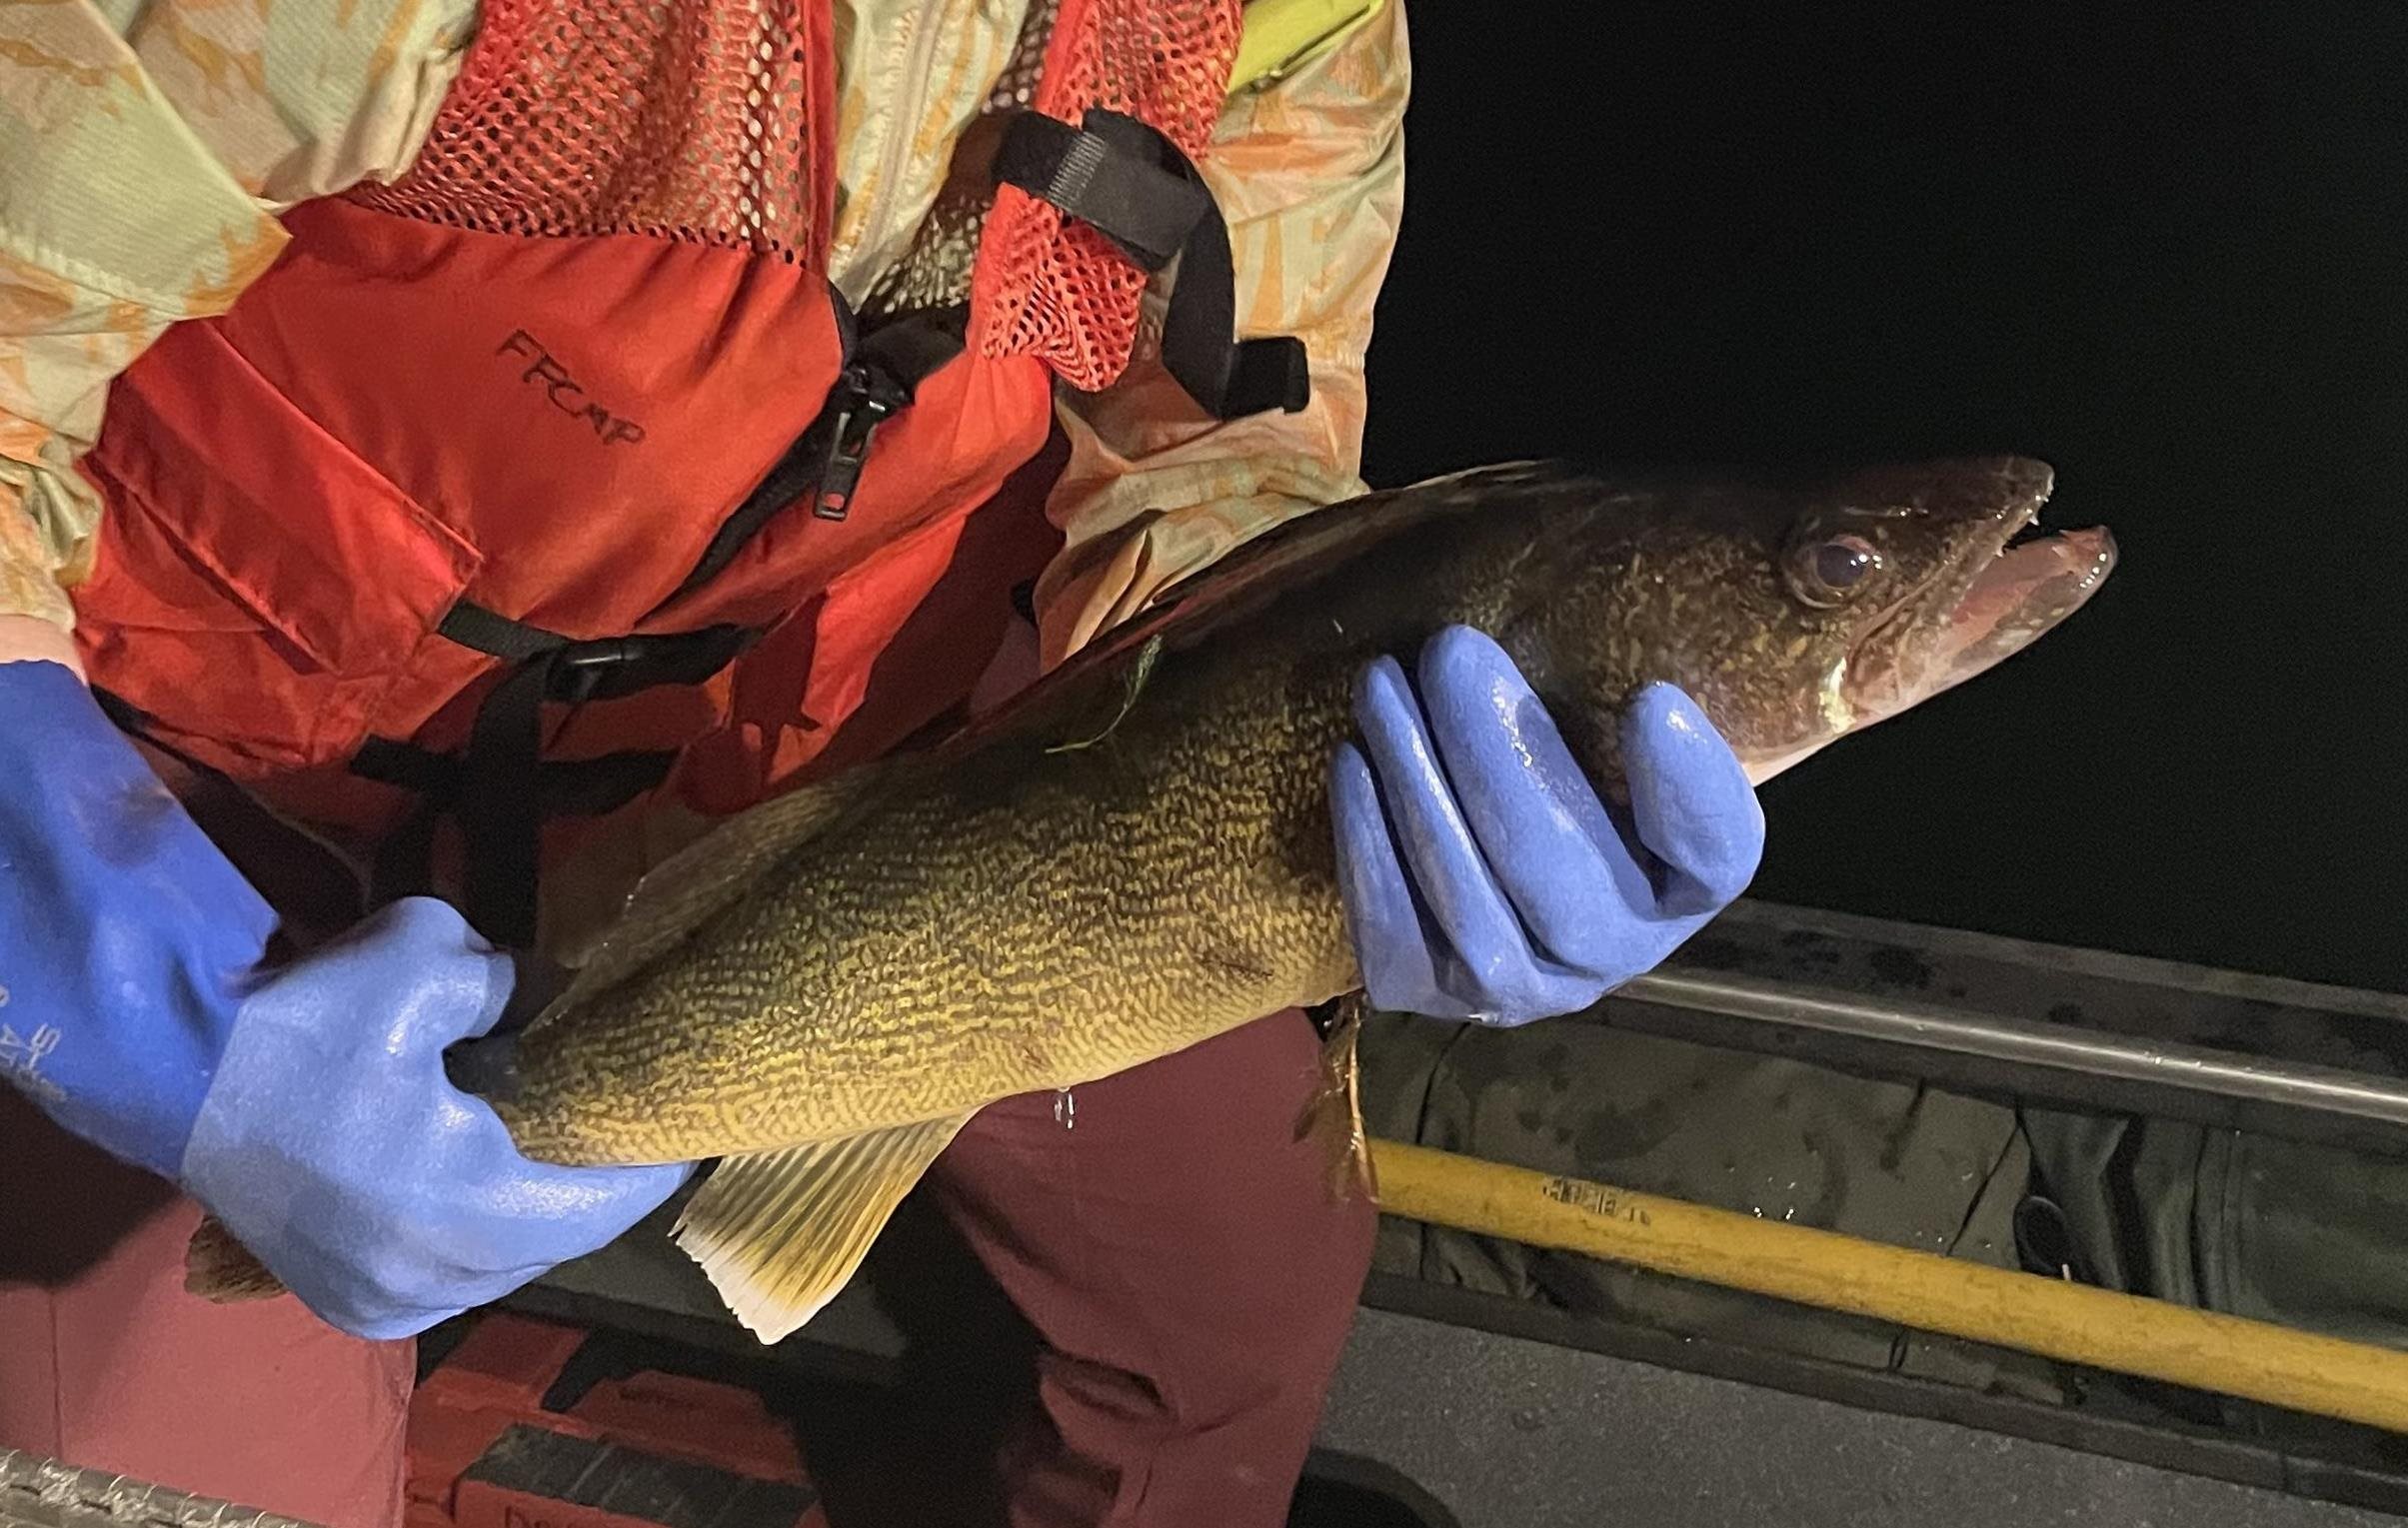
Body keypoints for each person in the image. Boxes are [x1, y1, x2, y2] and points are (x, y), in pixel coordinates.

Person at [0, 0, 1765, 1522]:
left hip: (862, 752)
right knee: (153, 1474)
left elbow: (1212, 451)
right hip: (207, 768)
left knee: (1227, 1299)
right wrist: (114, 960)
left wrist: (1405, 757)